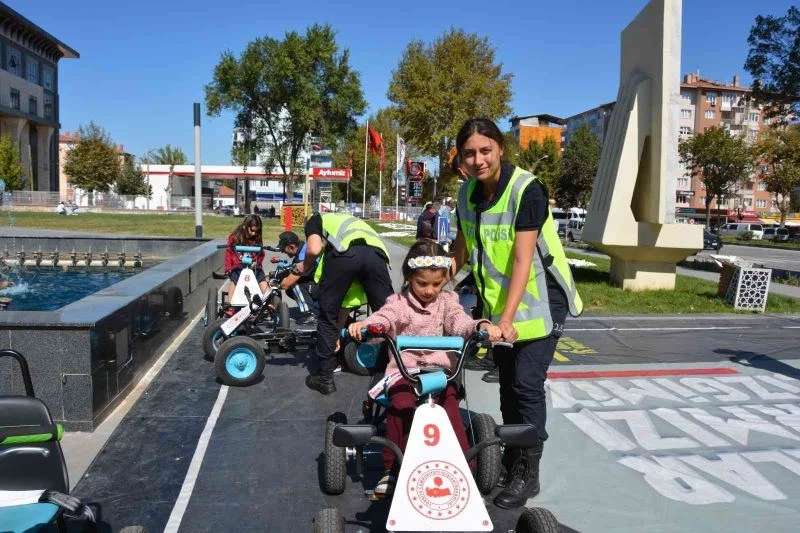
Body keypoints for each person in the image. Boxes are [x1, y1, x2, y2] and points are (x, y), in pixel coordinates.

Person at [452, 118, 583, 509]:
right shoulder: (466, 195)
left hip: (540, 302)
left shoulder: (527, 190)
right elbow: (460, 249)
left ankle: (529, 471)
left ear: (501, 149)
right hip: (501, 308)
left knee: (526, 387)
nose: (478, 160)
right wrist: (435, 286)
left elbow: (523, 260)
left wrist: (507, 320)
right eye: (469, 153)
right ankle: (511, 458)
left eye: (485, 150)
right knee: (506, 387)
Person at [348, 240, 502, 499]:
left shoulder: (448, 302)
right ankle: (393, 469)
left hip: (440, 373)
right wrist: (368, 326)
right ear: (410, 277)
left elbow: (460, 322)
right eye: (423, 284)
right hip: (405, 371)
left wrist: (480, 327)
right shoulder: (398, 303)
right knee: (402, 404)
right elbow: (384, 318)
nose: (430, 290)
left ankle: (463, 468)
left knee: (450, 408)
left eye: (436, 284)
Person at [295, 212, 394, 394]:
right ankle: (394, 373)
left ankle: (325, 378)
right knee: (389, 314)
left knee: (326, 316)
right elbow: (347, 302)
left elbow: (314, 249)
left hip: (345, 254)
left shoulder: (315, 219)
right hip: (377, 257)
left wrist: (305, 266)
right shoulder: (350, 222)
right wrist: (338, 334)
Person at [224, 214, 269, 306]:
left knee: (261, 279)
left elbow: (261, 253)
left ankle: (268, 302)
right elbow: (229, 253)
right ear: (245, 226)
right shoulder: (235, 238)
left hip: (254, 266)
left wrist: (257, 262)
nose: (254, 233)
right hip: (238, 266)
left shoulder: (256, 238)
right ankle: (231, 303)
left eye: (256, 231)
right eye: (252, 230)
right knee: (235, 280)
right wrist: (228, 268)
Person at [276, 231, 318, 325]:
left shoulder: (303, 256)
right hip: (321, 284)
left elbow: (287, 284)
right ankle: (316, 309)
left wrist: (275, 285)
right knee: (291, 288)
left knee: (294, 285)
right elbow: (292, 269)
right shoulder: (303, 249)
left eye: (284, 249)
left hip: (324, 287)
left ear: (291, 247)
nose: (283, 251)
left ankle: (310, 314)